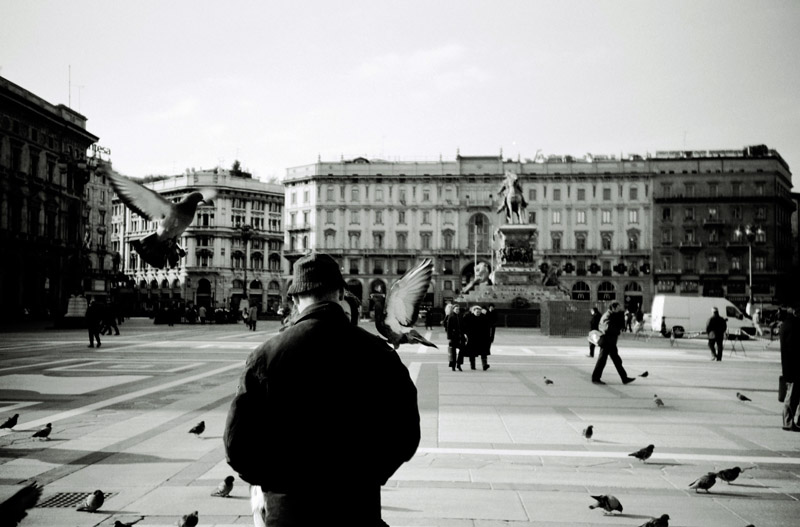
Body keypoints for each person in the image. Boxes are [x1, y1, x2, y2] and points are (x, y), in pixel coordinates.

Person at [224, 253, 420, 526]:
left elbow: (236, 444)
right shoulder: (378, 354)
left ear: (294, 299)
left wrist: (274, 482)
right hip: (355, 509)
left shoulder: (265, 356)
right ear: (341, 293)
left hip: (287, 513)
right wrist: (368, 476)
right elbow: (406, 434)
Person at [591, 302, 635, 385]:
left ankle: (624, 378)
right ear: (613, 308)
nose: (619, 309)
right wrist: (617, 330)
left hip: (611, 342)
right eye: (617, 308)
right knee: (602, 360)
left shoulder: (612, 315)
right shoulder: (607, 315)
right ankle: (595, 378)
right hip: (607, 342)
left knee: (617, 360)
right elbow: (607, 328)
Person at [780, 304, 800, 431]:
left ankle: (790, 421)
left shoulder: (787, 325)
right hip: (794, 368)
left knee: (793, 396)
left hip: (791, 368)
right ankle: (788, 422)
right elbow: (793, 349)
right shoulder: (792, 326)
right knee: (792, 396)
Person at [463, 305, 491, 371]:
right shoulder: (469, 317)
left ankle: (484, 365)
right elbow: (465, 326)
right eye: (477, 312)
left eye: (479, 312)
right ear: (473, 311)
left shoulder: (484, 317)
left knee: (483, 352)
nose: (478, 313)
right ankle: (472, 365)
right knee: (472, 352)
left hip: (482, 338)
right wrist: (466, 334)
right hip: (472, 338)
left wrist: (488, 337)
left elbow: (487, 328)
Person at [445, 304, 464, 371]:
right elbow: (448, 328)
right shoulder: (451, 317)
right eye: (456, 309)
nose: (457, 310)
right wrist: (449, 337)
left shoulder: (461, 316)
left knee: (462, 350)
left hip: (460, 336)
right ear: (453, 310)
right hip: (453, 336)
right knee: (453, 351)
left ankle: (459, 364)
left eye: (458, 309)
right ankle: (453, 365)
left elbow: (463, 326)